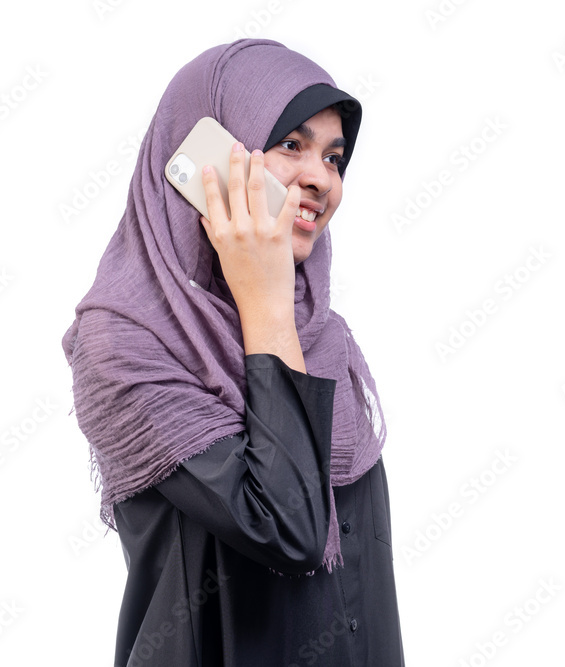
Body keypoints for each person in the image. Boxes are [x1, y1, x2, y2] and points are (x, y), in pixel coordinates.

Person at [61, 38, 404, 666]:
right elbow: (288, 529)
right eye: (291, 145)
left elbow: (365, 590)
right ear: (209, 158)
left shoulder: (324, 338)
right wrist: (265, 302)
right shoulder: (125, 345)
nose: (320, 178)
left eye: (335, 157)